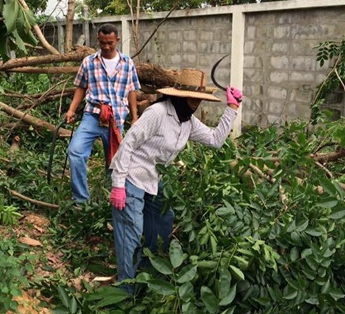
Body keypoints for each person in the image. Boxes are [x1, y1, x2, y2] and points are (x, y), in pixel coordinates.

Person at [108, 68, 242, 295]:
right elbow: (128, 143)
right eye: (193, 99)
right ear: (178, 96)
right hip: (131, 176)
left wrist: (231, 109)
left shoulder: (187, 121)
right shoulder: (157, 113)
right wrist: (118, 184)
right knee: (130, 232)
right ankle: (126, 291)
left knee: (163, 221)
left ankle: (149, 274)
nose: (196, 105)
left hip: (154, 178)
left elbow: (215, 140)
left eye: (199, 100)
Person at [65, 23, 141, 204]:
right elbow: (81, 87)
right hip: (93, 115)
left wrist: (135, 117)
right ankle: (81, 201)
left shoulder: (127, 63)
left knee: (114, 162)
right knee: (75, 152)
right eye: (102, 43)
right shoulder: (89, 62)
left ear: (117, 40)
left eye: (110, 43)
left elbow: (132, 91)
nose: (106, 47)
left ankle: (110, 199)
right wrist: (71, 110)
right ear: (98, 40)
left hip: (117, 118)